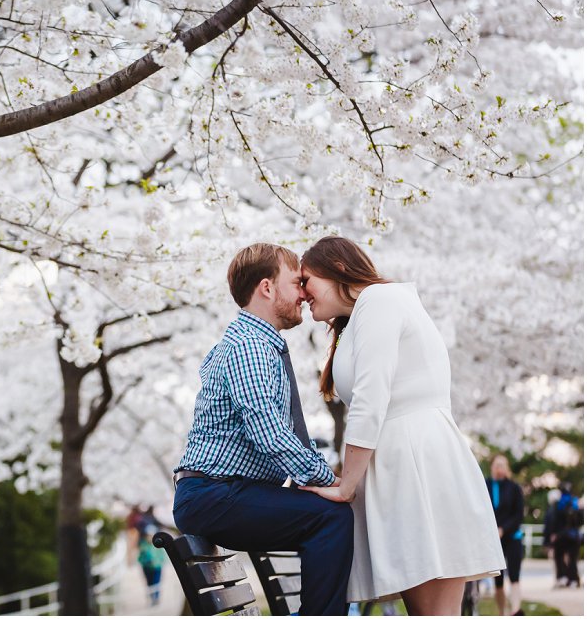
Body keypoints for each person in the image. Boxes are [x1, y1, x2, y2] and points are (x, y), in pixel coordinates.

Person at [299, 236, 505, 616]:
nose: (301, 292)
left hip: (414, 464)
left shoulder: (380, 301)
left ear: (337, 270)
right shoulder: (365, 313)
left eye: (306, 280)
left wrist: (347, 487)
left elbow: (370, 398)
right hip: (406, 460)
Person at [172, 243, 353, 616]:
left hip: (223, 491)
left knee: (330, 514)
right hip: (213, 494)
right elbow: (269, 432)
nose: (304, 293)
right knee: (331, 516)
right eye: (296, 282)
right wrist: (328, 480)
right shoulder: (251, 346)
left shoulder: (256, 344)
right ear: (267, 288)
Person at [486, 454, 525, 615]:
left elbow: (518, 515)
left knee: (514, 576)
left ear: (507, 468)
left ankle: (516, 611)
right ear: (492, 467)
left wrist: (503, 529)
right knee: (498, 580)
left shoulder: (514, 488)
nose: (499, 468)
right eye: (497, 465)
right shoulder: (486, 485)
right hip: (494, 540)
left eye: (502, 465)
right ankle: (502, 613)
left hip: (512, 537)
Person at [547, 482, 584, 587]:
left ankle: (562, 578)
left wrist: (553, 534)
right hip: (574, 535)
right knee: (572, 559)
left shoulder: (558, 504)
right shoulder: (574, 502)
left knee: (559, 557)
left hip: (561, 536)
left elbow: (553, 520)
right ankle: (573, 579)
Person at [137, 524, 166, 605]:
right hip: (147, 568)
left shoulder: (158, 544)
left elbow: (162, 557)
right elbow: (140, 558)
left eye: (151, 535)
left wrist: (157, 562)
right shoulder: (143, 544)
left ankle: (156, 598)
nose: (149, 537)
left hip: (157, 567)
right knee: (149, 583)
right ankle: (151, 598)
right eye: (148, 535)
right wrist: (146, 562)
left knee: (156, 583)